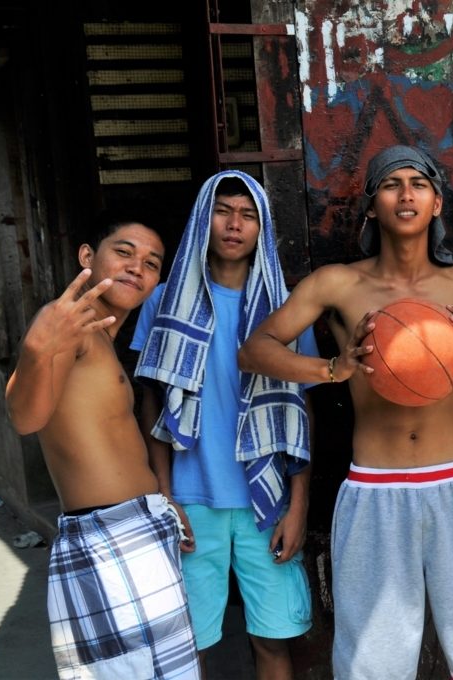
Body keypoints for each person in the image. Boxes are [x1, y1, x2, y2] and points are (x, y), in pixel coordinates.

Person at [237, 145, 453, 680]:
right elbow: (254, 350)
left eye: (419, 183)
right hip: (375, 489)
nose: (406, 193)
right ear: (372, 206)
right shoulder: (337, 283)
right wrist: (331, 368)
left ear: (437, 203)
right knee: (375, 664)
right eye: (392, 184)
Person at [133, 172, 316, 679]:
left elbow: (300, 410)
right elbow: (151, 401)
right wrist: (164, 494)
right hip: (191, 498)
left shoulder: (287, 308)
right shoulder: (163, 301)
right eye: (222, 211)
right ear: (202, 219)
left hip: (267, 498)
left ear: (262, 228)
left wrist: (299, 505)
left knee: (273, 640)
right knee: (187, 644)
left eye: (248, 215)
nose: (234, 224)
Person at [5, 216, 201, 679]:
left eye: (151, 263)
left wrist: (163, 502)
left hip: (138, 526)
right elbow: (25, 418)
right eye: (124, 252)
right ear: (87, 257)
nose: (137, 267)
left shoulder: (103, 339)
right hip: (107, 536)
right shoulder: (68, 324)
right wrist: (36, 350)